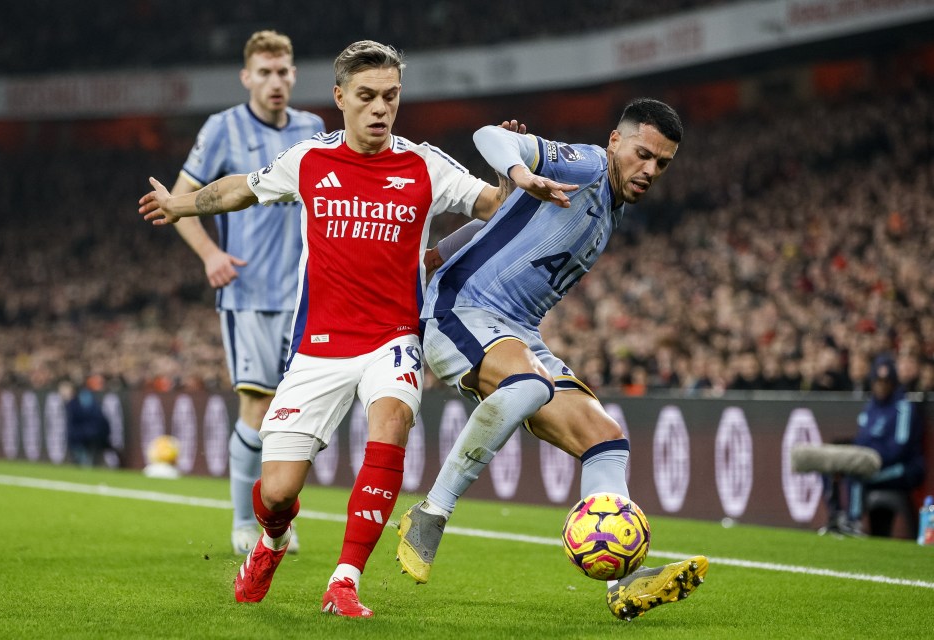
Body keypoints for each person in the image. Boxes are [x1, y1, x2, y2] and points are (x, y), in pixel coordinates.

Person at [139, 40, 557, 618]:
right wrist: (183, 206)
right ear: (340, 98)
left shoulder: (424, 164)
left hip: (393, 338)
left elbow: (495, 205)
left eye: (391, 96)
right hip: (318, 347)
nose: (381, 108)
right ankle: (272, 541)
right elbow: (241, 188)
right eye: (366, 97)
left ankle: (345, 579)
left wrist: (518, 170)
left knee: (393, 420)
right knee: (278, 493)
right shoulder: (310, 160)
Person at [396, 99, 708, 621]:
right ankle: (430, 513)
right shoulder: (585, 165)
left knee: (606, 440)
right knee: (529, 385)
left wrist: (440, 250)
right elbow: (488, 135)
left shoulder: (612, 207)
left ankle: (625, 584)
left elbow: (502, 226)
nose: (651, 170)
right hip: (462, 313)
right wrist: (522, 170)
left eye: (663, 163)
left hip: (517, 335)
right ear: (615, 141)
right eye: (643, 154)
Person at [168, 30, 325, 555]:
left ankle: (275, 517)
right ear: (246, 77)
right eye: (264, 72)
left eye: (283, 72)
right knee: (257, 409)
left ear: (294, 74)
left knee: (292, 416)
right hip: (250, 296)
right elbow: (178, 199)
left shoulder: (313, 128)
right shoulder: (222, 129)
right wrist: (210, 254)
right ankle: (243, 520)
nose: (275, 81)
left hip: (306, 297)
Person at [823, 355, 926, 536]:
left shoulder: (903, 408)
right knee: (830, 467)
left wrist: (868, 460)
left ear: (893, 382)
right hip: (872, 462)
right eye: (877, 381)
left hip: (902, 469)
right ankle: (836, 517)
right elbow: (862, 440)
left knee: (858, 474)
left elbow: (899, 448)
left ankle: (853, 522)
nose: (881, 385)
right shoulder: (871, 406)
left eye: (886, 381)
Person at [62, 379, 111, 468]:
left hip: (89, 438)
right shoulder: (77, 404)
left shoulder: (91, 403)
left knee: (87, 464)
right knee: (84, 463)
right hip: (83, 438)